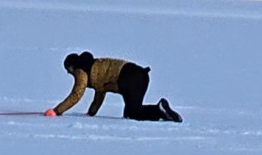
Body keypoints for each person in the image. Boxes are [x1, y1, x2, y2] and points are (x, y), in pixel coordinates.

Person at [45, 52, 181, 122]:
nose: (69, 73)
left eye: (69, 70)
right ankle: (162, 111)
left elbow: (77, 94)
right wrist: (91, 113)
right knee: (133, 112)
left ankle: (159, 110)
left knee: (132, 113)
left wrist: (57, 111)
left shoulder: (82, 71)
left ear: (72, 67)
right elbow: (100, 93)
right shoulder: (94, 67)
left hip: (129, 77)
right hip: (141, 75)